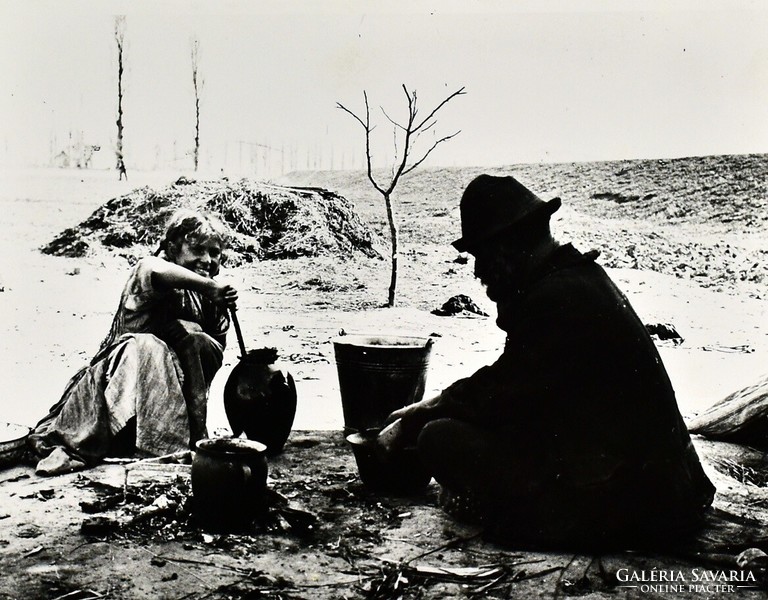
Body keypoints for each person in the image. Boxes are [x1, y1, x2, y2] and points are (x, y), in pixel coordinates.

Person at [380, 174, 715, 550]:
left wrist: (423, 415)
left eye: (482, 257)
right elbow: (520, 381)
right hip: (670, 491)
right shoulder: (576, 280)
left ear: (507, 247)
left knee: (439, 438)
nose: (477, 272)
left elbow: (499, 393)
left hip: (639, 506)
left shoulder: (557, 298)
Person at [29, 209, 238, 475]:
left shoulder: (212, 301)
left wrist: (195, 338)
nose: (207, 260)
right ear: (172, 247)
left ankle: (178, 442)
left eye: (214, 253)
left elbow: (210, 362)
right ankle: (156, 449)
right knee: (147, 346)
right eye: (197, 249)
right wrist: (209, 288)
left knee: (199, 340)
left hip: (169, 414)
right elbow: (154, 268)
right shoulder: (150, 272)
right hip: (110, 402)